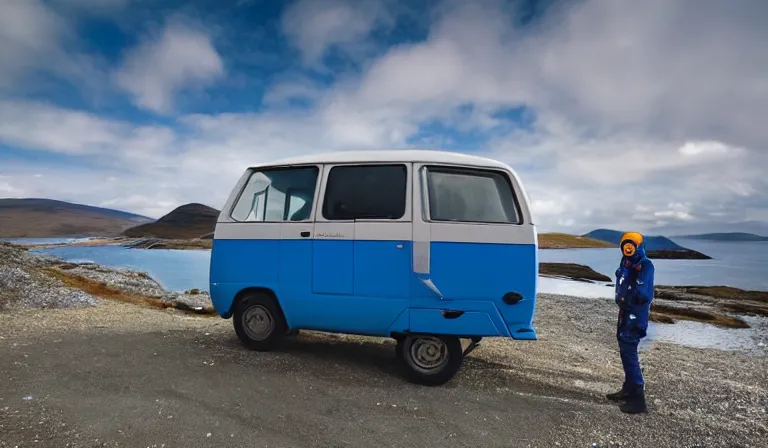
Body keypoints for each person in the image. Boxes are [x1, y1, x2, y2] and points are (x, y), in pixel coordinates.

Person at [606, 231, 655, 414]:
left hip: (635, 316)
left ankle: (638, 399)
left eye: (631, 244)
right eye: (625, 245)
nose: (628, 247)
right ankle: (628, 388)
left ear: (639, 246)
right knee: (625, 350)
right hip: (625, 313)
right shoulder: (627, 263)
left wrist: (629, 296)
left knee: (630, 351)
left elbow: (644, 294)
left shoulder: (645, 266)